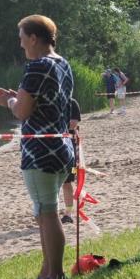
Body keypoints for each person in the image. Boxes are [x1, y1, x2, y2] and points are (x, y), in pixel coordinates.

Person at [0, 15, 74, 279]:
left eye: (21, 36)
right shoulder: (62, 63)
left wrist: (9, 101)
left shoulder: (37, 66)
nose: (20, 43)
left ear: (34, 38)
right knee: (44, 213)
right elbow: (46, 102)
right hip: (62, 148)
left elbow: (22, 111)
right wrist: (19, 96)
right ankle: (46, 272)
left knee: (47, 213)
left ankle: (55, 275)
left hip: (40, 152)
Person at [60, 96, 81, 224]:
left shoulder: (72, 102)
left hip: (70, 148)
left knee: (68, 181)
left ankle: (68, 213)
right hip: (53, 146)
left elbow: (73, 124)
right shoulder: (53, 103)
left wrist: (54, 126)